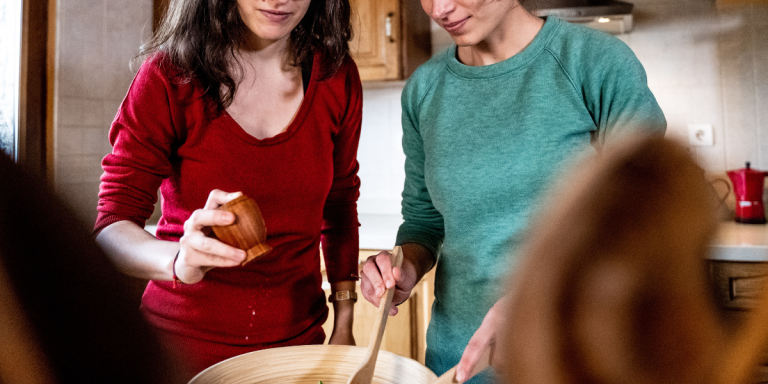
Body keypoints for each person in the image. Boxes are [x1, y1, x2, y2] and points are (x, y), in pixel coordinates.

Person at [358, 0, 667, 382]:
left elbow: (656, 219)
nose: (439, 9)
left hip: (576, 358)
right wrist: (404, 265)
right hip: (457, 365)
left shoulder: (595, 62)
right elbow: (424, 221)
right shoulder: (424, 89)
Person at [94, 0, 362, 378]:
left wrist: (345, 326)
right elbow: (110, 229)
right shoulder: (169, 76)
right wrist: (178, 261)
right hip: (179, 353)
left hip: (298, 353)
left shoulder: (336, 76)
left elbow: (340, 204)